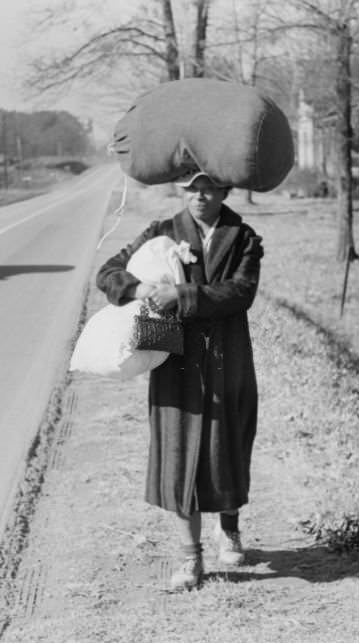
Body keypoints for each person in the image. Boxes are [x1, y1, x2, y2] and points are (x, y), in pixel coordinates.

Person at [96, 170, 264, 591]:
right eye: (192, 188)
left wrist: (184, 296)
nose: (200, 196)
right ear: (181, 191)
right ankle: (191, 557)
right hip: (177, 360)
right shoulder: (163, 231)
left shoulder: (244, 238)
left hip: (228, 356)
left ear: (225, 191)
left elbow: (242, 291)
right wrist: (141, 290)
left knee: (227, 443)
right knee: (179, 450)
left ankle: (229, 527)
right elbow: (109, 272)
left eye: (209, 188)